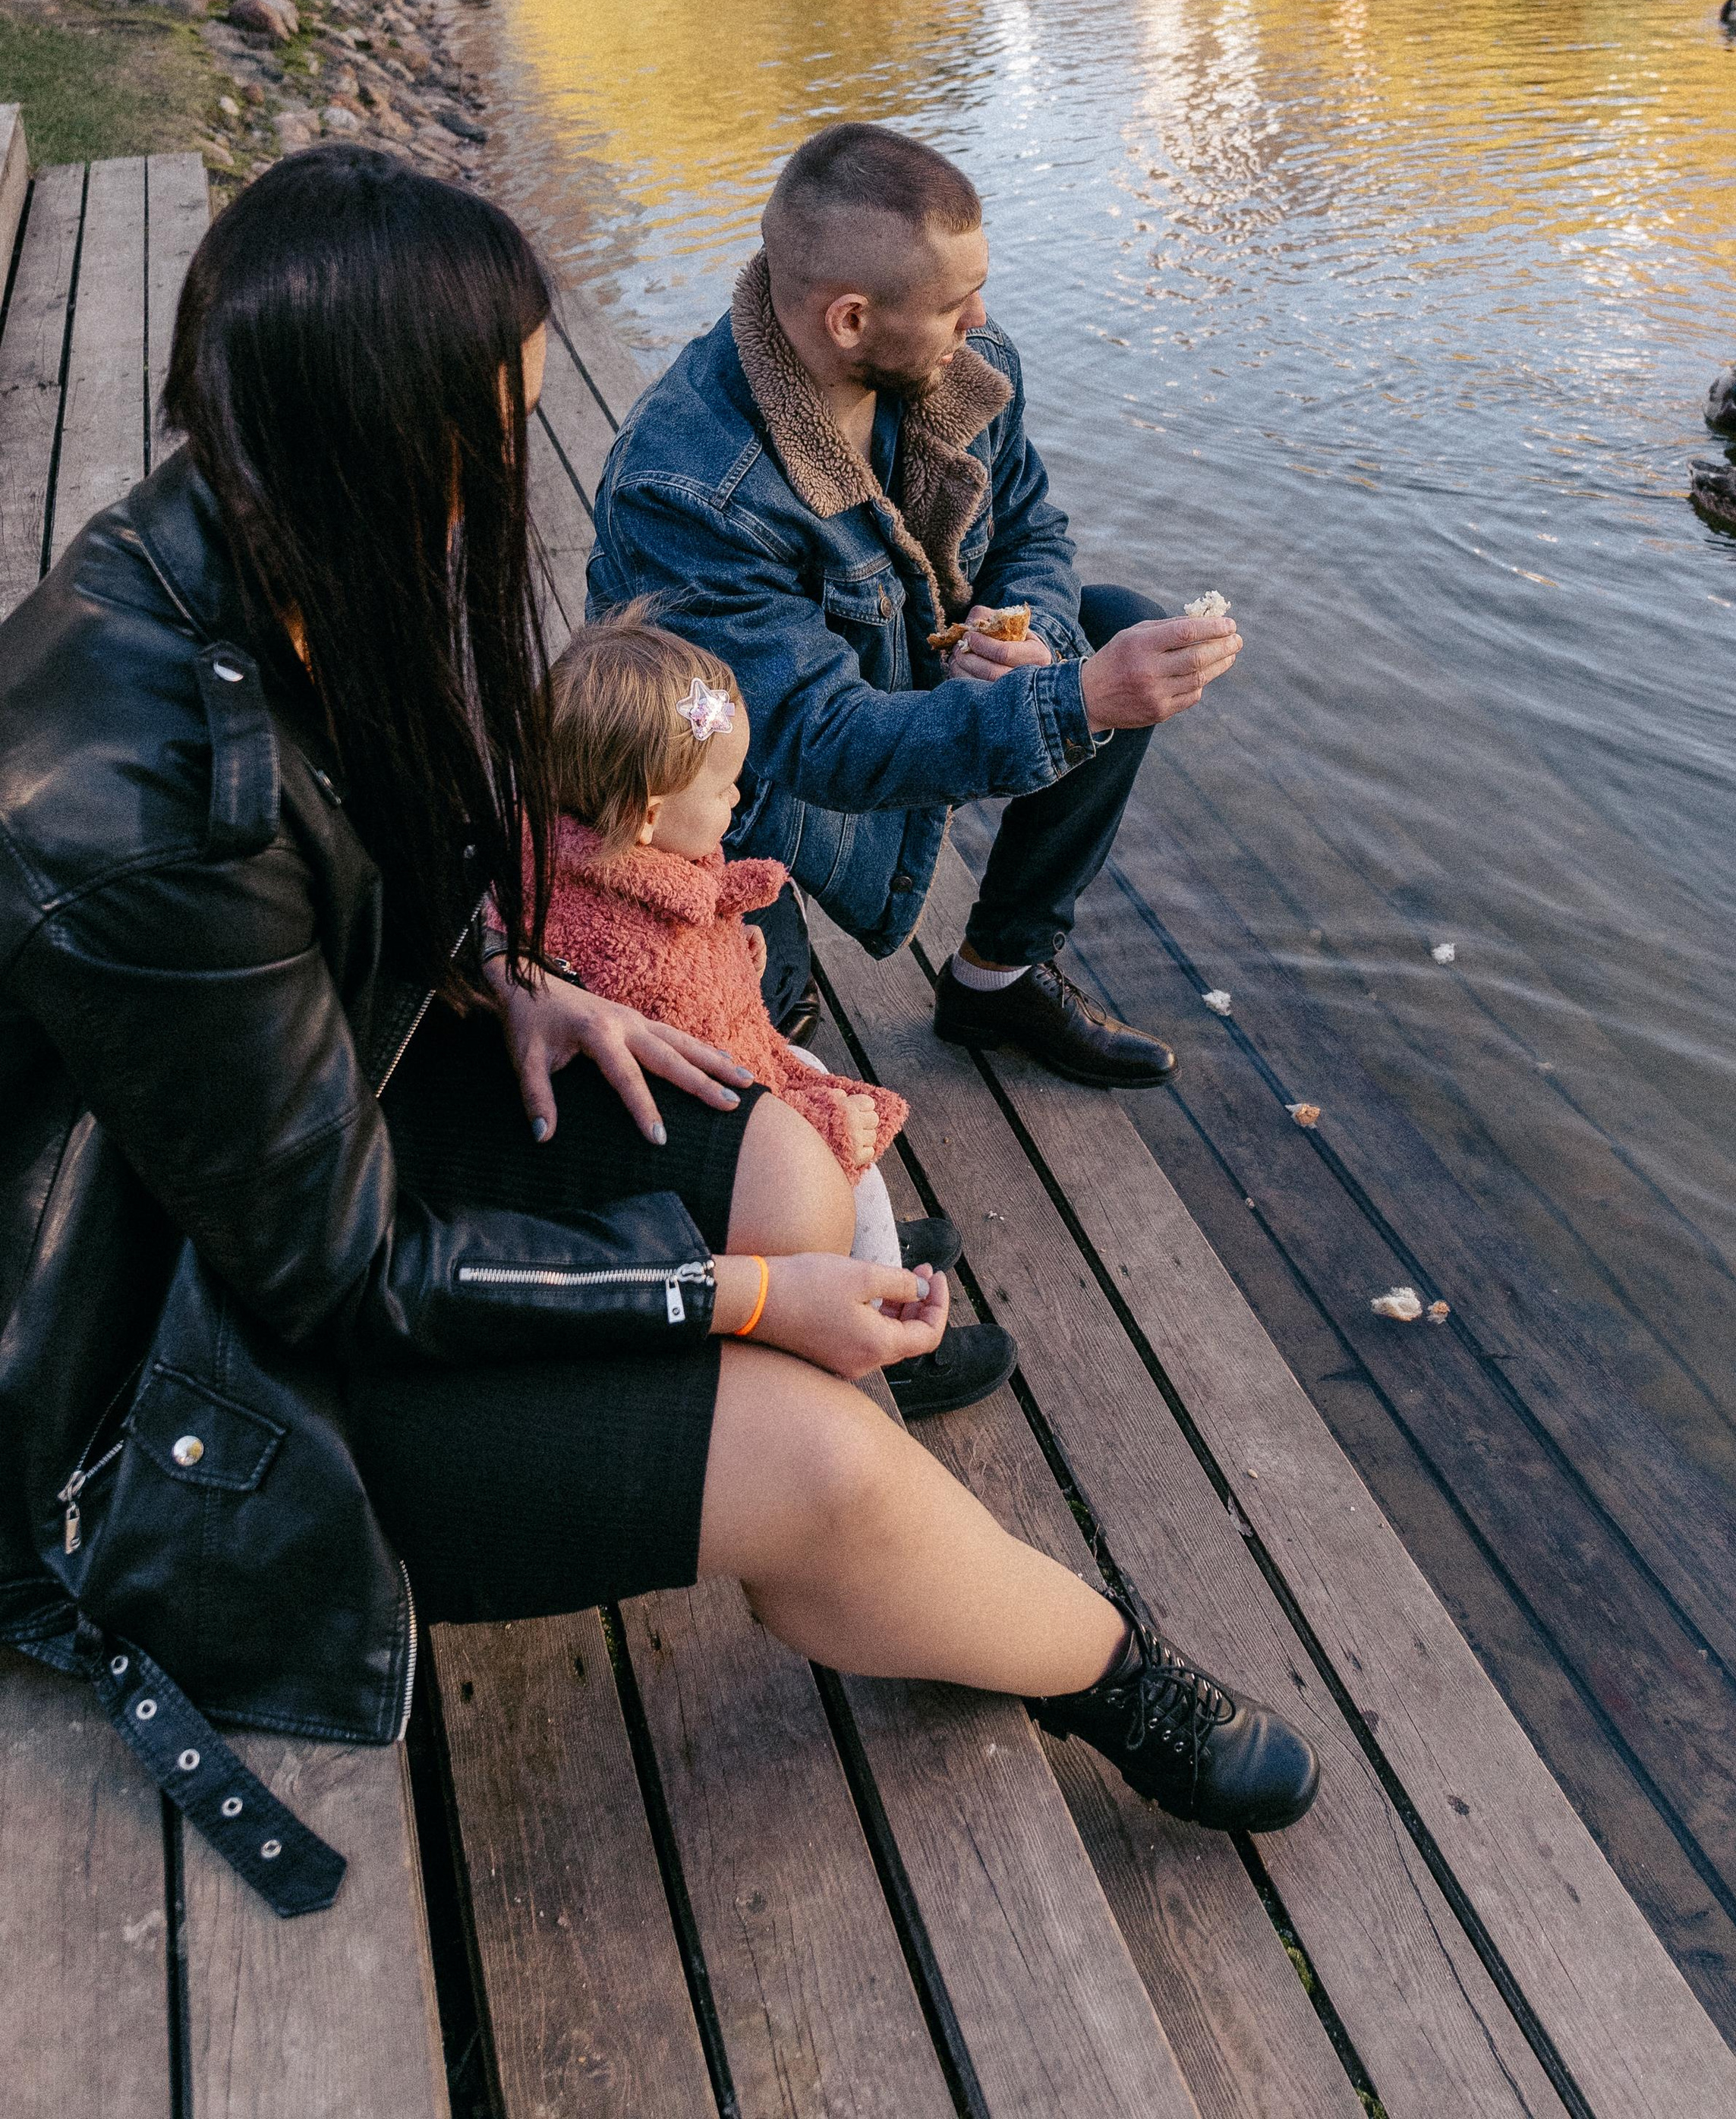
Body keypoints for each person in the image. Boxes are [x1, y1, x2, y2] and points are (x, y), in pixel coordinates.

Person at [0, 146, 1316, 1913]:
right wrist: (744, 1305)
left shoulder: (270, 547)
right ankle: (1101, 1673)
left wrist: (502, 973)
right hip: (165, 1360)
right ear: (376, 445)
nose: (512, 487)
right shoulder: (145, 797)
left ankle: (877, 1542)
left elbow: (327, 908)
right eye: (489, 442)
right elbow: (328, 1269)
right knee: (817, 1447)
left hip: (278, 1133)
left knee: (781, 1159)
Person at [589, 121, 1241, 1090]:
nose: (981, 317)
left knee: (1111, 621)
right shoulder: (683, 487)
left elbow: (1033, 531)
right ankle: (765, 979)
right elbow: (815, 740)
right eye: (954, 301)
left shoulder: (962, 364)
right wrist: (1075, 702)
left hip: (879, 672)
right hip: (728, 769)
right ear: (850, 319)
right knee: (759, 1038)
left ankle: (997, 978)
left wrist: (1038, 644)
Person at [543, 603, 1007, 1423]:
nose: (737, 799)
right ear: (649, 815)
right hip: (686, 1138)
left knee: (824, 1087)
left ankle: (874, 1251)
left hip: (658, 1102)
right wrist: (811, 1118)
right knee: (838, 1136)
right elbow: (718, 1055)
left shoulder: (568, 845)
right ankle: (883, 1329)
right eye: (723, 788)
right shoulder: (644, 951)